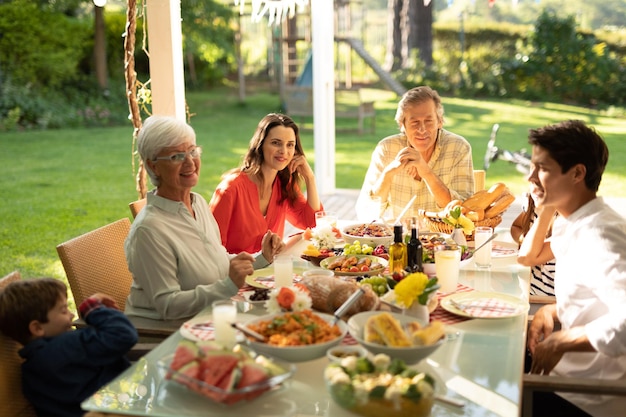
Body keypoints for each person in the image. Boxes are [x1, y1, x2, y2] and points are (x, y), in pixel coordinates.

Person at [125, 115, 284, 321]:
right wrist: (228, 285)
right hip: (166, 333)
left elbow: (216, 260)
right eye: (176, 156)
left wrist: (262, 258)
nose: (190, 162)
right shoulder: (148, 230)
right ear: (154, 166)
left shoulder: (197, 202)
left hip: (210, 314)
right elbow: (168, 306)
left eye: (192, 151)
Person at [525, 120, 626, 417]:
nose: (531, 178)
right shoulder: (571, 222)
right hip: (561, 378)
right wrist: (551, 311)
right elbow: (595, 297)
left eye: (542, 168)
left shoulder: (601, 234)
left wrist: (562, 339)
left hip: (588, 398)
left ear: (577, 173)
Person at [0, 278, 138, 417]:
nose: (71, 315)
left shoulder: (29, 373)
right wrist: (92, 309)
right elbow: (123, 334)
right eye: (63, 310)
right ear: (37, 328)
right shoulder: (69, 346)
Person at [355, 86, 475, 222]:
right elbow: (366, 213)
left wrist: (426, 172)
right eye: (414, 122)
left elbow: (464, 212)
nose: (422, 129)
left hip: (445, 240)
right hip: (399, 241)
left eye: (428, 121)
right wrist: (388, 174)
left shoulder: (458, 148)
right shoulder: (387, 149)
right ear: (402, 125)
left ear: (440, 121)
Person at [209, 113, 322, 254]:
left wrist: (310, 178)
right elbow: (212, 251)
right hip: (236, 273)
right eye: (276, 143)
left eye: (290, 145)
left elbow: (312, 223)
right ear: (260, 145)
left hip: (270, 273)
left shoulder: (284, 184)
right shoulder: (230, 190)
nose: (284, 151)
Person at [511, 192, 557, 296]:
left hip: (548, 300)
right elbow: (516, 227)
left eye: (541, 182)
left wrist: (549, 208)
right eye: (532, 182)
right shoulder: (534, 205)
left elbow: (525, 259)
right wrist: (527, 242)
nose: (535, 188)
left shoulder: (568, 222)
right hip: (528, 291)